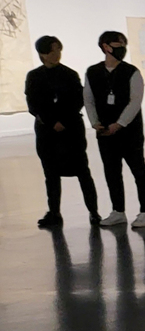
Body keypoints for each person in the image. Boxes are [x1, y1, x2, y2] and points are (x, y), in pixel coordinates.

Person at [26, 36, 100, 227]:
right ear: (43, 54)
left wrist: (64, 121)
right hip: (47, 132)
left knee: (82, 171)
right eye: (52, 51)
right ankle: (54, 213)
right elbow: (33, 104)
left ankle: (94, 212)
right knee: (51, 174)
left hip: (71, 131)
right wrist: (52, 122)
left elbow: (78, 100)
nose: (57, 54)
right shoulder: (34, 76)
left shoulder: (69, 74)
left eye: (58, 50)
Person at [84, 30, 145, 228]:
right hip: (105, 132)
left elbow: (135, 101)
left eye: (124, 45)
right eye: (118, 44)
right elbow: (88, 99)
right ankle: (118, 211)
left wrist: (120, 123)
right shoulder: (93, 72)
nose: (122, 48)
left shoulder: (132, 72)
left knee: (139, 170)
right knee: (112, 172)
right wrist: (95, 122)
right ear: (106, 47)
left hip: (130, 132)